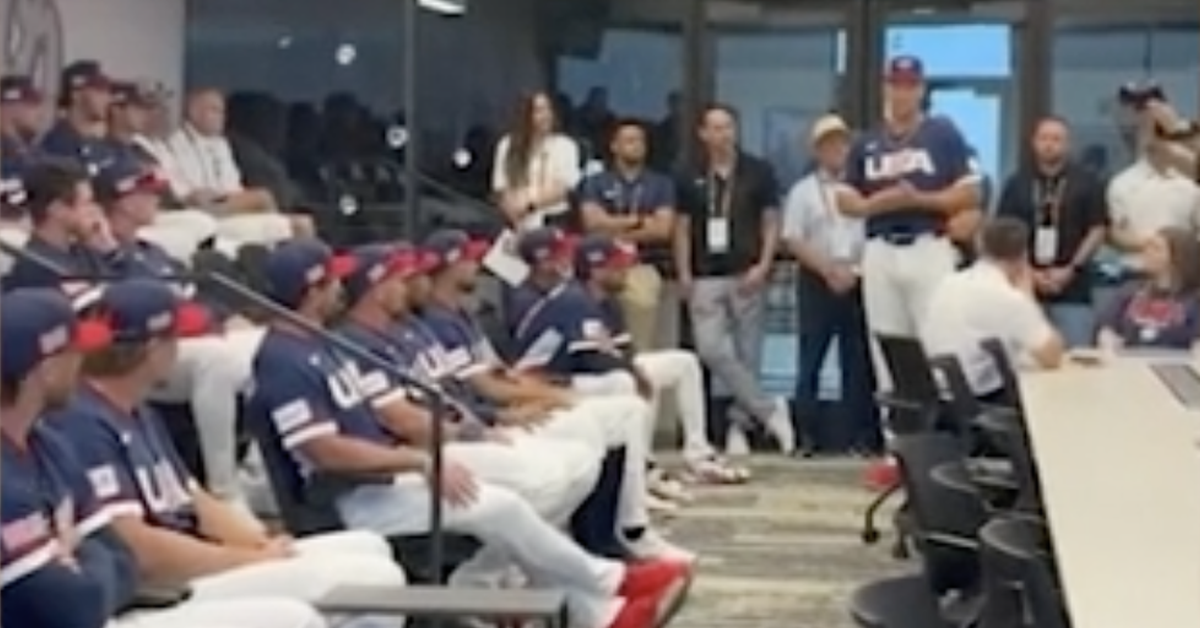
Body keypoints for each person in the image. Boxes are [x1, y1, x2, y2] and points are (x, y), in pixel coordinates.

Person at [248, 239, 690, 628]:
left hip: (385, 476)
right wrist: (420, 460)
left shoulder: (316, 343)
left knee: (507, 502)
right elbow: (324, 450)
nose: (340, 289)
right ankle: (607, 585)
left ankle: (598, 605)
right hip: (346, 499)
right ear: (311, 291)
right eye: (330, 282)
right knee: (500, 504)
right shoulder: (284, 359)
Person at [47, 278, 410, 626]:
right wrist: (247, 560)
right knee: (368, 579)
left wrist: (259, 543)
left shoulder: (138, 409)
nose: (179, 347)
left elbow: (195, 499)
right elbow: (141, 550)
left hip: (196, 567)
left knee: (369, 547)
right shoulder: (83, 423)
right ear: (151, 348)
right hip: (160, 592)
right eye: (174, 338)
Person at [0, 288, 330, 628]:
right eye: (74, 352)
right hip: (135, 603)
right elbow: (81, 602)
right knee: (296, 617)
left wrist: (259, 547)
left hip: (144, 596)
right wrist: (95, 564)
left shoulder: (48, 443)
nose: (82, 360)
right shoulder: (64, 435)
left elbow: (120, 553)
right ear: (48, 369)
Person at [419, 229, 690, 561]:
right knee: (594, 427)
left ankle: (622, 528)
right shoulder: (440, 321)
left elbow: (503, 375)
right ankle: (610, 534)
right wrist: (542, 400)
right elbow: (488, 387)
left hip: (511, 405)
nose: (477, 265)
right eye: (469, 259)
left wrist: (541, 397)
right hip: (493, 419)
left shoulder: (462, 315)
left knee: (624, 409)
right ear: (449, 266)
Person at [334, 242, 601, 529]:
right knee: (545, 476)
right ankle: (502, 557)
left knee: (579, 459)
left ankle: (525, 550)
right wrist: (483, 426)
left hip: (465, 426)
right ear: (378, 289)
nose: (414, 284)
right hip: (430, 446)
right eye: (404, 279)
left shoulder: (412, 328)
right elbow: (404, 419)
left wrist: (493, 418)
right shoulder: (357, 342)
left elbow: (459, 391)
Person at [91, 157, 267, 516]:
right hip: (143, 348)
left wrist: (224, 319)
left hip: (186, 337)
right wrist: (111, 253)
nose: (155, 199)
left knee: (273, 349)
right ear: (121, 200)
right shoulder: (100, 256)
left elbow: (195, 298)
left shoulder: (152, 252)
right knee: (216, 362)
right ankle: (224, 489)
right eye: (145, 192)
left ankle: (256, 471)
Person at [512, 229, 749, 484]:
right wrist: (635, 375)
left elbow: (623, 350)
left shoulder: (607, 300)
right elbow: (590, 359)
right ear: (596, 270)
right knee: (623, 381)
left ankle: (699, 456)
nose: (625, 271)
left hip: (580, 374)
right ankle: (641, 466)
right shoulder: (573, 299)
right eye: (617, 266)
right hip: (545, 380)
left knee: (683, 363)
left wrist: (637, 371)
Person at [835, 56, 981, 357]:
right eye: (896, 85)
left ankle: (940, 390)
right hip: (880, 249)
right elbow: (844, 199)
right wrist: (877, 204)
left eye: (910, 86)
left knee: (939, 341)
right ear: (885, 88)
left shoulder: (942, 133)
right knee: (886, 345)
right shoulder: (868, 140)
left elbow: (969, 193)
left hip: (928, 244)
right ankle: (893, 392)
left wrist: (920, 200)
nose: (902, 93)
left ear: (921, 90)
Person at [672, 103, 793, 455]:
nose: (722, 134)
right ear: (702, 133)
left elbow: (771, 221)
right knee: (710, 348)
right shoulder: (688, 173)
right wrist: (684, 272)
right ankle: (769, 410)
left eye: (727, 127)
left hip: (747, 271)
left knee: (748, 353)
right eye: (714, 128)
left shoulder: (758, 170)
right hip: (705, 273)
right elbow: (681, 228)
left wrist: (764, 264)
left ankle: (740, 427)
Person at [782, 114, 879, 456]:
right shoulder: (802, 191)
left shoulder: (866, 191)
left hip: (858, 278)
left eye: (841, 143)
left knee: (858, 363)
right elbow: (793, 238)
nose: (836, 150)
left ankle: (859, 437)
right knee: (810, 359)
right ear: (817, 151)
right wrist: (827, 269)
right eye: (828, 144)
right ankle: (806, 436)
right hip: (816, 279)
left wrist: (855, 270)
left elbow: (874, 234)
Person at [921, 218, 1065, 400]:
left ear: (980, 247)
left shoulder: (948, 282)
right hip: (980, 399)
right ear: (1024, 256)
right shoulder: (1008, 298)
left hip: (937, 393)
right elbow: (1052, 357)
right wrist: (1027, 293)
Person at [997, 116, 1108, 348]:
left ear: (1068, 144)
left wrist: (1071, 269)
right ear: (1034, 142)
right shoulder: (1017, 183)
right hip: (1025, 287)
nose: (1049, 144)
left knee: (1076, 358)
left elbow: (1098, 229)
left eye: (1056, 139)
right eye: (1044, 138)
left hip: (1074, 289)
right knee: (1026, 357)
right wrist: (1029, 272)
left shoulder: (1088, 182)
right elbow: (1004, 233)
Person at [577, 120, 677, 352]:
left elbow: (662, 229)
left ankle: (639, 360)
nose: (637, 145)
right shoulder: (596, 182)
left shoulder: (661, 184)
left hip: (641, 263)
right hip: (600, 266)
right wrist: (638, 221)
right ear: (614, 146)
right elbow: (592, 224)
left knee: (643, 302)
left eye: (641, 141)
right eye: (630, 140)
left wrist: (611, 225)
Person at [167, 88, 313, 244]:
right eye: (214, 110)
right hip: (200, 208)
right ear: (194, 112)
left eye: (222, 112)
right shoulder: (177, 143)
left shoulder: (221, 144)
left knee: (303, 223)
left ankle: (291, 248)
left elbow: (233, 184)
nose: (221, 117)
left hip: (228, 203)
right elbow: (193, 191)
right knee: (263, 197)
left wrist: (236, 198)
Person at [2, 159, 116, 293]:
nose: (95, 210)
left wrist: (111, 251)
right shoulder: (35, 269)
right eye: (86, 203)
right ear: (57, 209)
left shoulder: (87, 251)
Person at [1097, 227, 1200, 351]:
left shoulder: (1194, 299)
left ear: (1178, 257)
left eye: (1156, 248)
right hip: (1129, 359)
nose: (1146, 252)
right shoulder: (1130, 290)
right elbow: (1107, 327)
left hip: (1174, 361)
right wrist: (1108, 340)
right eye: (1147, 247)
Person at [492, 91, 582, 231]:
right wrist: (514, 216)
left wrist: (530, 204)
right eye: (539, 111)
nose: (546, 116)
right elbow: (501, 188)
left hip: (553, 220)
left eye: (548, 109)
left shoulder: (565, 145)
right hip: (514, 221)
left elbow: (564, 187)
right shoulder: (507, 145)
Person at [39, 61, 120, 172]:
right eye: (99, 91)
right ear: (75, 94)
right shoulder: (56, 145)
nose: (107, 99)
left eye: (108, 92)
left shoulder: (102, 147)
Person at [0, 75, 46, 172]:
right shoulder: (6, 154)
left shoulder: (31, 150)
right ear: (8, 106)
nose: (41, 113)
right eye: (32, 104)